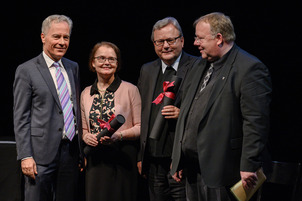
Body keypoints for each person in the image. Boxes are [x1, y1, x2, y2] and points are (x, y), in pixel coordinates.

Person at [170, 12, 272, 201]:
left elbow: (256, 123)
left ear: (219, 38)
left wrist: (249, 165)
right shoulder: (200, 64)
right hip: (193, 169)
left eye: (200, 38)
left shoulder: (249, 69)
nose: (195, 43)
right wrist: (179, 158)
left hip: (225, 170)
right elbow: (187, 112)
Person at [13, 15, 82, 201]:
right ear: (43, 37)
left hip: (70, 153)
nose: (62, 42)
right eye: (56, 36)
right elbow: (21, 117)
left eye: (66, 37)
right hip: (39, 155)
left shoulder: (73, 67)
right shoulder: (26, 70)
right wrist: (25, 155)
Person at [137, 17, 199, 201]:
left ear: (182, 40)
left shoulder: (198, 66)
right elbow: (143, 115)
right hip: (154, 160)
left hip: (183, 160)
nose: (165, 46)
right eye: (159, 41)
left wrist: (183, 114)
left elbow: (207, 110)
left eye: (170, 40)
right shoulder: (147, 70)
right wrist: (142, 156)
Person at [81, 41, 141, 201]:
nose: (106, 62)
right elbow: (84, 129)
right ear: (93, 62)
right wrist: (86, 137)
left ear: (118, 63)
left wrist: (119, 136)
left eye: (111, 59)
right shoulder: (86, 93)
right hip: (95, 160)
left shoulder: (130, 89)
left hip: (122, 158)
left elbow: (140, 127)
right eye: (101, 58)